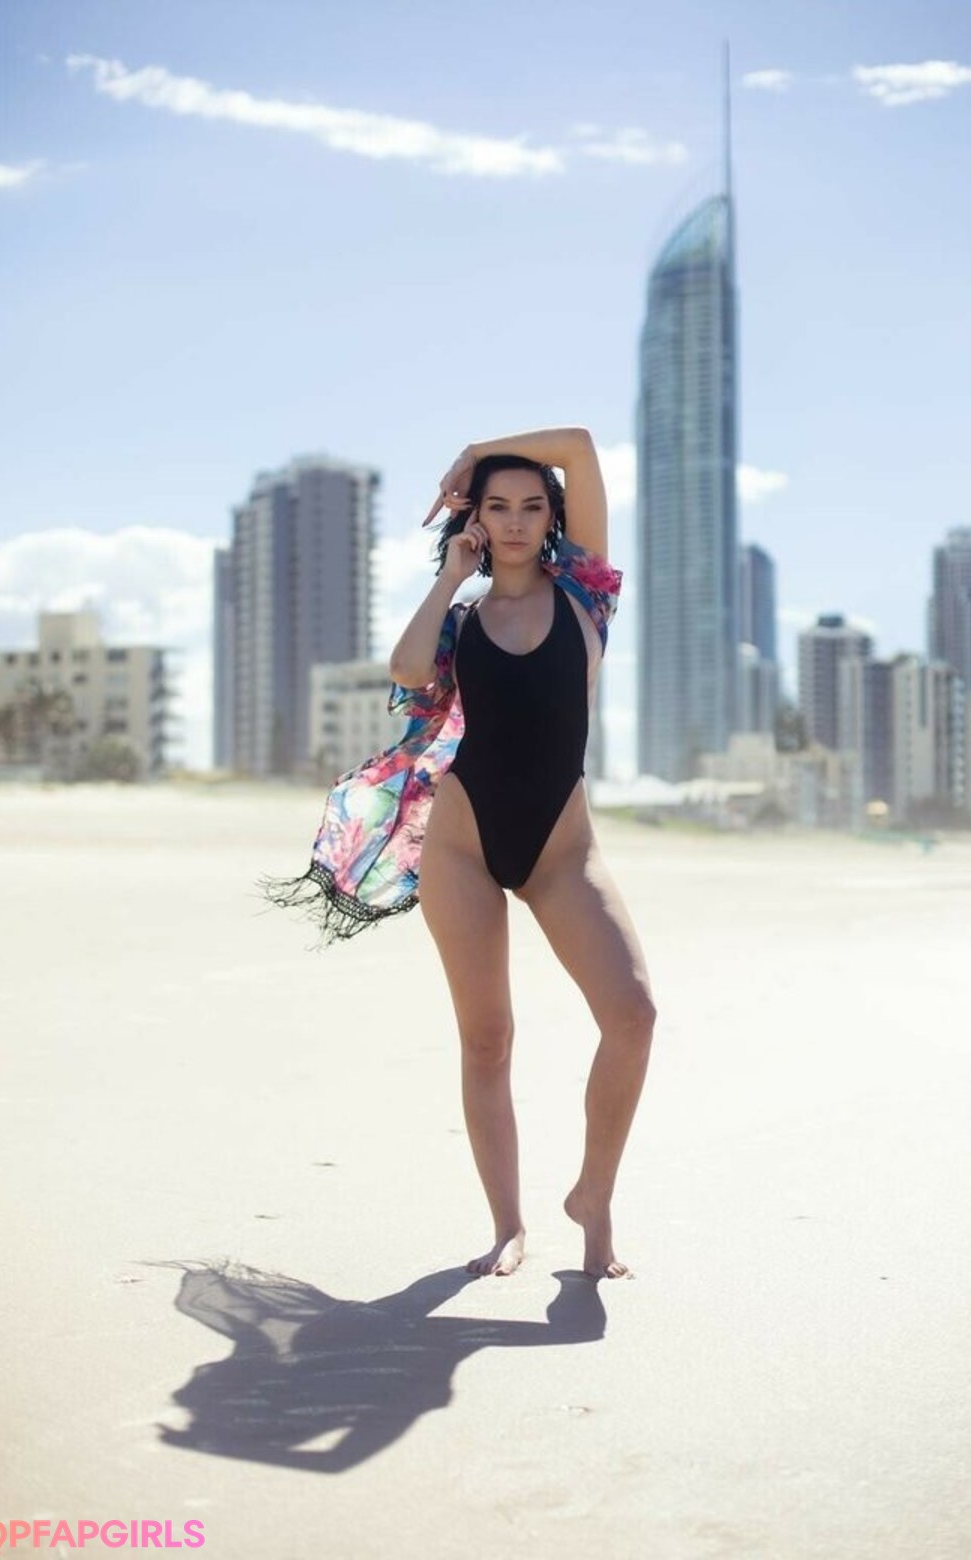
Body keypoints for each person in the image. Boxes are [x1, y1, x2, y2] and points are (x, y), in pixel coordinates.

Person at [261, 427, 655, 1280]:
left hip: (562, 853)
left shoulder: (586, 595)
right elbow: (407, 674)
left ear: (552, 519)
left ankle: (593, 1197)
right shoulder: (463, 619)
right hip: (463, 848)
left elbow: (582, 448)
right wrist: (449, 576)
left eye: (531, 507)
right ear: (475, 521)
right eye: (496, 507)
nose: (514, 522)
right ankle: (507, 1227)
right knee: (487, 1039)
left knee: (633, 1016)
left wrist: (475, 452)